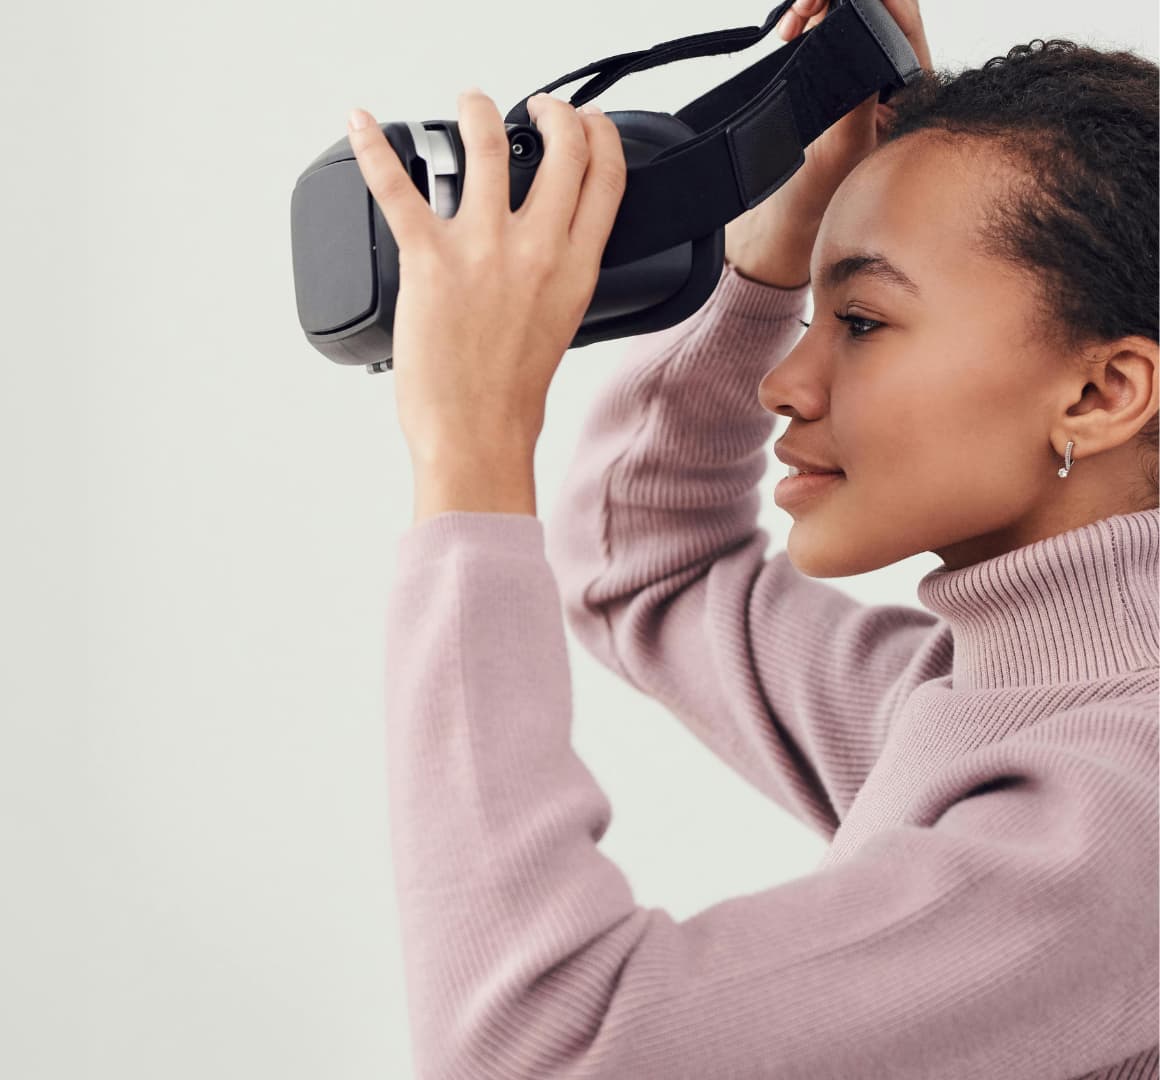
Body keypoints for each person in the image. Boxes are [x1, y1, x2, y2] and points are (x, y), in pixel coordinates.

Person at [346, 0, 1157, 1073]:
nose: (786, 380)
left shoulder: (1109, 827)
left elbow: (545, 1043)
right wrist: (773, 250)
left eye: (861, 321)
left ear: (1102, 391)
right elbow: (643, 564)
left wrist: (472, 446)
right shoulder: (972, 705)